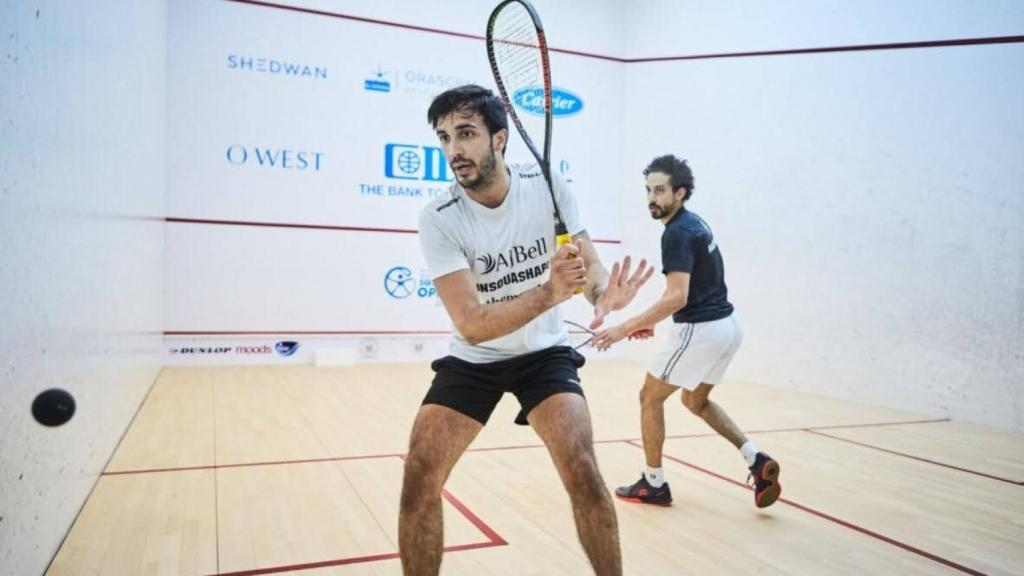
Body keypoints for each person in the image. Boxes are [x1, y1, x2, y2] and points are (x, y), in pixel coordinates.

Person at [399, 84, 652, 576]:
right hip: (475, 361)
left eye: (466, 134)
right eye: (445, 137)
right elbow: (472, 324)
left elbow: (589, 270)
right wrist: (548, 294)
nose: (454, 150)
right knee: (419, 474)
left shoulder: (549, 188)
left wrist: (605, 295)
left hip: (544, 355)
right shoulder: (438, 219)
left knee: (582, 467)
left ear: (499, 138)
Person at [591, 154, 781, 509]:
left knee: (650, 397)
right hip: (729, 327)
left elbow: (677, 297)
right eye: (648, 189)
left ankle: (653, 483)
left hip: (703, 330)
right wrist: (650, 321)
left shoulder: (676, 233)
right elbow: (687, 292)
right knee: (695, 400)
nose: (652, 197)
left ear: (679, 193)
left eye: (660, 190)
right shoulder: (694, 223)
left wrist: (624, 328)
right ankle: (755, 458)